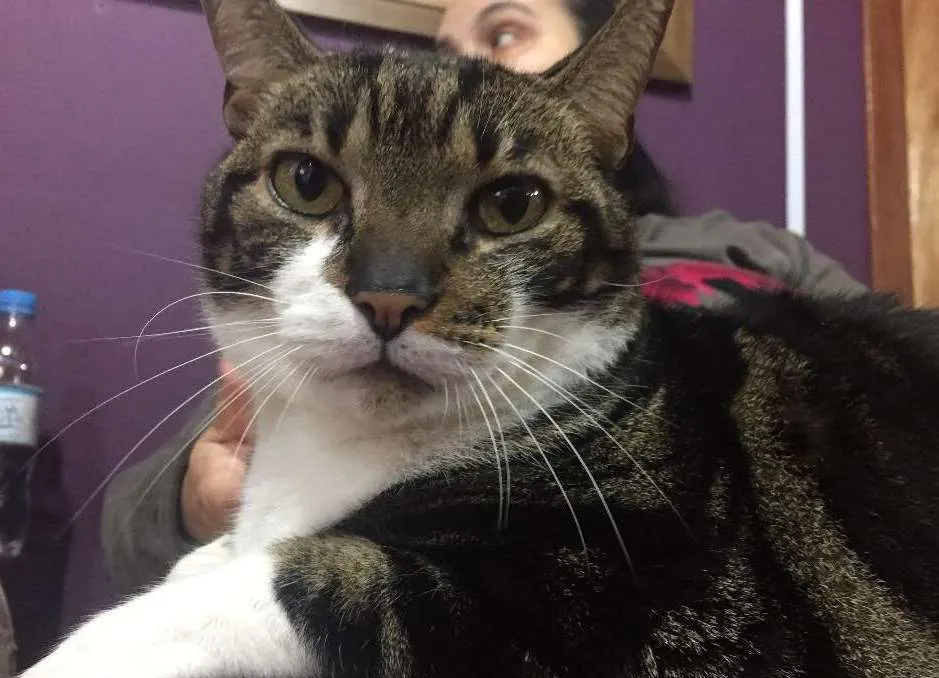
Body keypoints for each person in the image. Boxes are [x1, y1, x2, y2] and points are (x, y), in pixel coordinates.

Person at [102, 0, 865, 594]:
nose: (455, 69)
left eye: (502, 35)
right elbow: (131, 524)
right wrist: (202, 499)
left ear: (602, 87)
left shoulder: (756, 251)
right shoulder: (307, 325)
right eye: (442, 46)